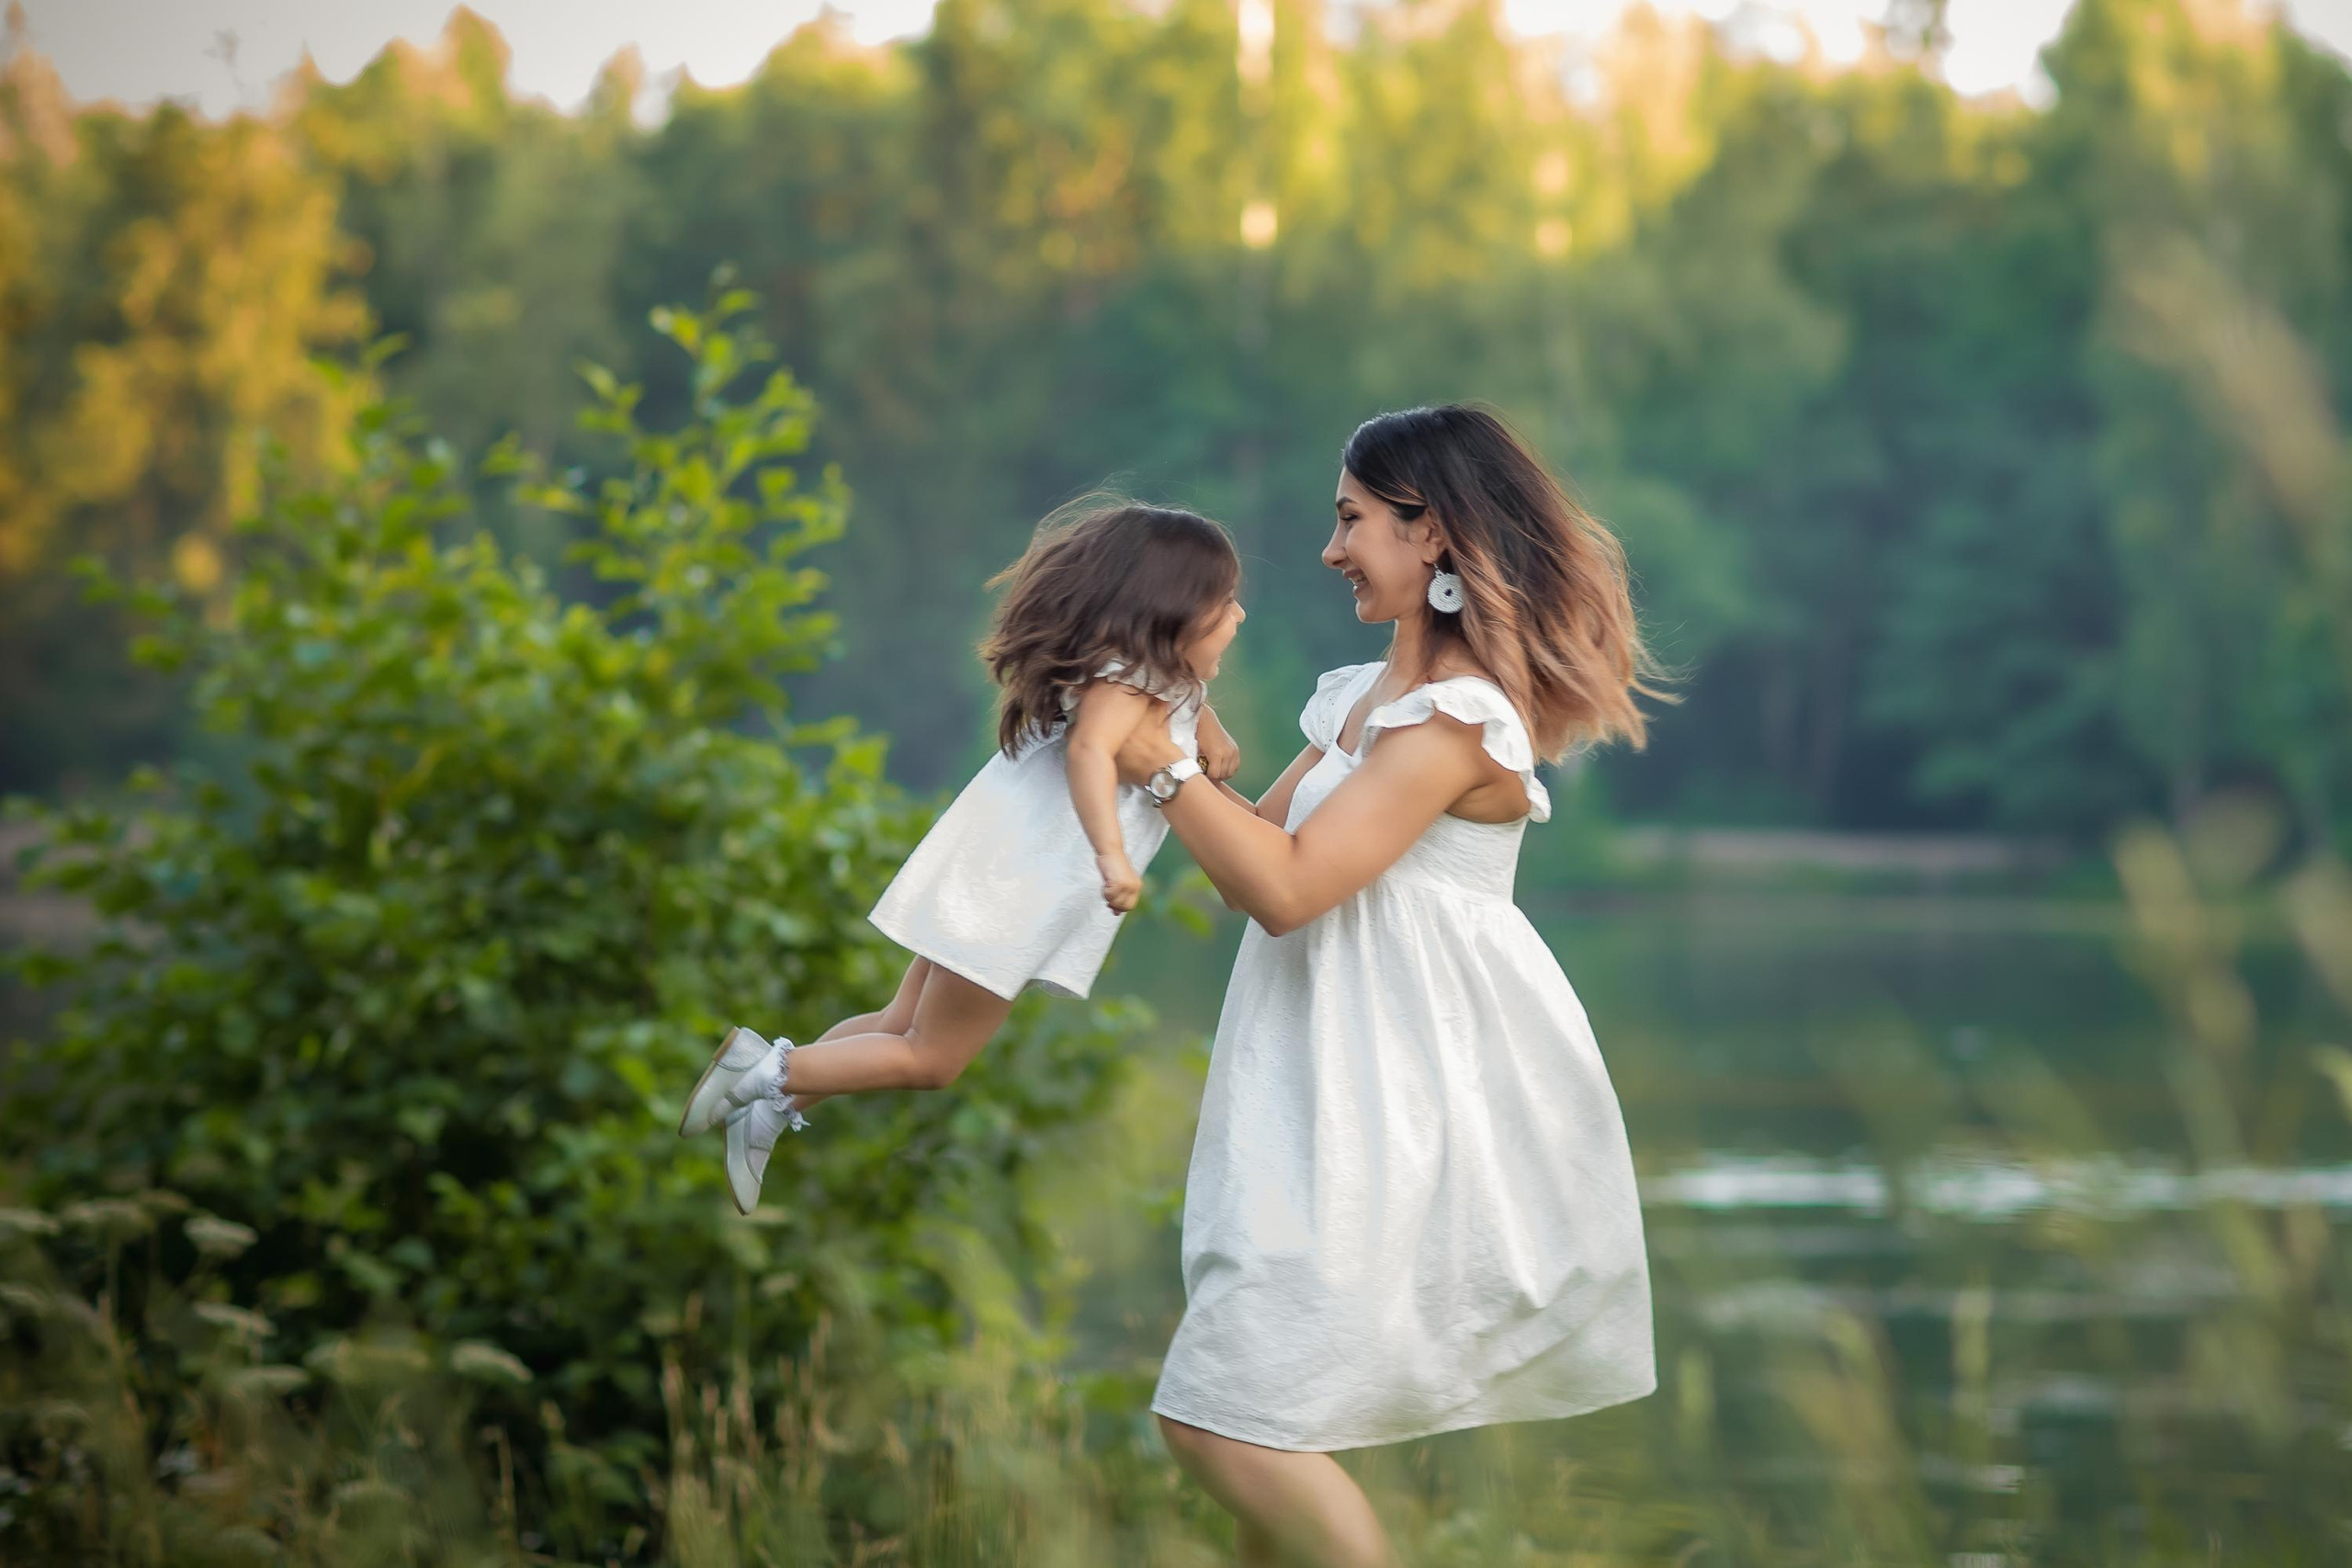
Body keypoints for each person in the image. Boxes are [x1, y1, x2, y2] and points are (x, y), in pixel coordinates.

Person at [1114, 406, 1667, 1566]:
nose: (1329, 550)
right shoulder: (1357, 703)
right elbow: (1246, 861)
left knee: (1221, 1417)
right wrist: (1163, 724)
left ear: (1434, 538)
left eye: (1352, 519)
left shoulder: (1456, 723)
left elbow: (1291, 888)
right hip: (1315, 1084)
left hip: (1400, 1100)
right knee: (1268, 1413)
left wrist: (1153, 763)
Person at [676, 499, 1246, 1213]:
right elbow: (1092, 751)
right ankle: (762, 1074)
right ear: (1173, 609)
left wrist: (1210, 726)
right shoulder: (1123, 685)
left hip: (999, 869)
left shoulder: (1151, 676)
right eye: (1225, 602)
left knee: (897, 1024)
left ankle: (764, 1104)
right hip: (1020, 886)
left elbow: (1171, 714)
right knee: (932, 1058)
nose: (1239, 616)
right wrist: (1113, 858)